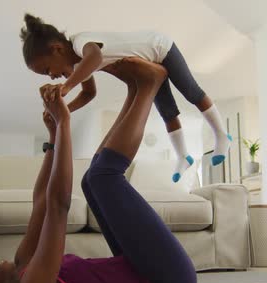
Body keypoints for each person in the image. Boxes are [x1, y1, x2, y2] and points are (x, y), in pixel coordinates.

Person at [0, 57, 197, 283]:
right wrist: (63, 124)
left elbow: (41, 202)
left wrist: (52, 137)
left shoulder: (23, 264)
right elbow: (58, 207)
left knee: (90, 183)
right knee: (103, 178)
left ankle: (136, 89)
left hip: (142, 269)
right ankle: (148, 86)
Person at [19, 14, 232, 183]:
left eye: (48, 70)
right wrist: (61, 111)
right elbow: (89, 93)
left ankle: (221, 135)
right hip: (149, 64)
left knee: (191, 92)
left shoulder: (80, 42)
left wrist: (66, 86)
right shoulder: (77, 66)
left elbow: (95, 57)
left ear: (57, 49)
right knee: (167, 111)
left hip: (159, 47)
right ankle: (183, 156)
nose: (52, 76)